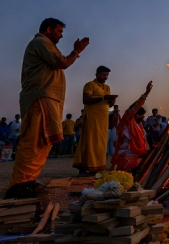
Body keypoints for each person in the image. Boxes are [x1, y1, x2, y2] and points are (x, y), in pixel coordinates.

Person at [8, 18, 89, 197]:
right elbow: (62, 63)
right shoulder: (40, 42)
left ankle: (29, 180)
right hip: (40, 97)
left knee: (43, 142)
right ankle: (19, 185)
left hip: (48, 98)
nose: (61, 35)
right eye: (59, 32)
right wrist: (77, 51)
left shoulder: (45, 44)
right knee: (34, 140)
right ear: (49, 29)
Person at [73, 66, 116, 173]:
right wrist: (102, 98)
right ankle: (83, 167)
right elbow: (85, 100)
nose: (105, 77)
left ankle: (97, 167)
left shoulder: (107, 87)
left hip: (103, 119)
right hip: (92, 117)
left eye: (107, 75)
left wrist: (112, 100)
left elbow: (109, 104)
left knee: (100, 143)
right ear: (97, 74)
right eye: (103, 75)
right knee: (90, 142)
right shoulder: (90, 85)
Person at [110, 82, 153, 171]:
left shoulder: (140, 126)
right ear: (135, 114)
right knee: (141, 164)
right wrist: (146, 94)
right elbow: (134, 107)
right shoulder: (126, 122)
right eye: (141, 115)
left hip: (137, 155)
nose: (143, 117)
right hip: (126, 156)